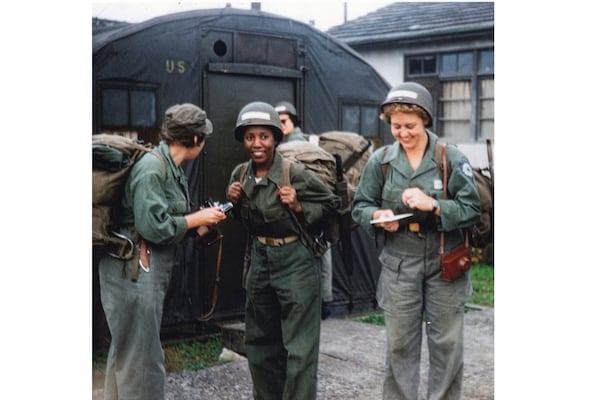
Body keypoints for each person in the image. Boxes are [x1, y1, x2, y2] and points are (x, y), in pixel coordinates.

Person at [351, 82, 480, 400]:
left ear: (425, 120)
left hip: (443, 258)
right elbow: (359, 207)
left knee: (447, 345)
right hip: (399, 260)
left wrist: (434, 205)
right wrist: (378, 216)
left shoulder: (449, 158)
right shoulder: (380, 161)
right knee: (399, 346)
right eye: (396, 126)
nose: (403, 132)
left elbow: (472, 208)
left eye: (410, 125)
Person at [98, 103, 227, 400]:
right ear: (196, 140)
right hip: (133, 271)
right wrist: (198, 219)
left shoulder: (170, 167)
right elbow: (152, 227)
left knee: (129, 352)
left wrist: (200, 222)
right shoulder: (153, 169)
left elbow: (164, 216)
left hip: (137, 269)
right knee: (142, 359)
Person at [227, 101, 339, 400]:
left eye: (264, 136)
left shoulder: (294, 173)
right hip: (260, 261)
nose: (257, 144)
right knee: (260, 345)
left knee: (300, 349)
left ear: (276, 137)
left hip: (296, 262)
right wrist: (235, 203)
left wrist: (300, 205)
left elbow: (332, 205)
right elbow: (245, 221)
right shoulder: (240, 174)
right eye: (250, 137)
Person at [275, 100, 334, 319]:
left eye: (284, 121)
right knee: (323, 252)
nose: (280, 126)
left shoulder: (290, 146)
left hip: (301, 209)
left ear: (293, 122)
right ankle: (323, 302)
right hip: (316, 208)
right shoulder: (311, 142)